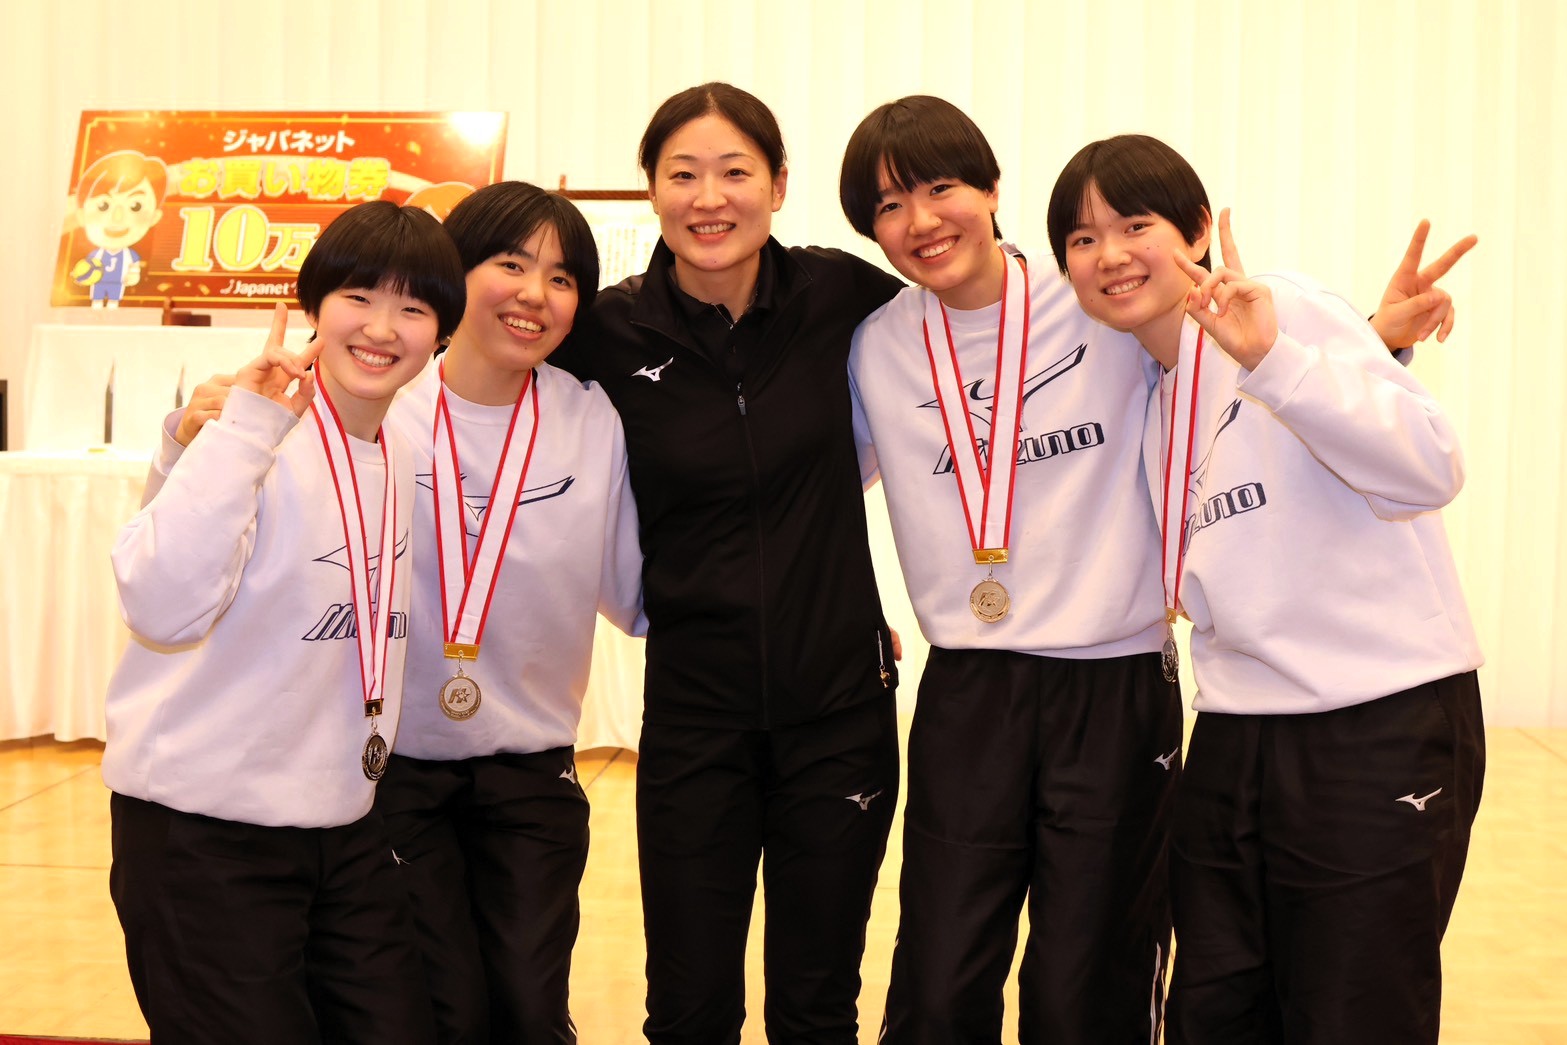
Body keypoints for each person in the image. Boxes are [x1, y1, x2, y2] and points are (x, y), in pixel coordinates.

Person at [837, 96, 1475, 1044]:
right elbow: (804, 486)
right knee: (956, 981)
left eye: (940, 188)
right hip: (1061, 697)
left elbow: (1326, 408)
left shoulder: (1123, 309)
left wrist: (1359, 340)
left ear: (993, 190)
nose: (921, 219)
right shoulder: (880, 346)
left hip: (1159, 685)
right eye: (889, 205)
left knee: (1104, 986)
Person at [148, 181, 646, 1044]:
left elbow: (638, 587)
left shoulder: (592, 416)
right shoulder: (375, 401)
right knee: (438, 1012)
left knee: (530, 1011)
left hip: (528, 768)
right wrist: (197, 437)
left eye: (563, 278)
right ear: (454, 280)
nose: (534, 292)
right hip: (390, 770)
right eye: (510, 263)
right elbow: (186, 564)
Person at [1046, 133, 1484, 1045]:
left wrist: (1278, 357)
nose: (1110, 254)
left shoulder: (1280, 310)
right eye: (1082, 239)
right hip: (1232, 734)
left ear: (1197, 231)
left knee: (1352, 1010)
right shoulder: (1154, 394)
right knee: (1216, 1010)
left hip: (1374, 721)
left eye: (1134, 224)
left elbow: (1429, 465)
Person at [554, 83, 905, 1045]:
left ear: (778, 185)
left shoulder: (840, 296)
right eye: (683, 174)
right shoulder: (606, 331)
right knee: (689, 1006)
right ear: (652, 191)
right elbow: (475, 386)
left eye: (734, 172)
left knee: (816, 1005)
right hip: (693, 716)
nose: (708, 198)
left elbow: (978, 321)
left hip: (840, 712)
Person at [102, 199, 466, 1044]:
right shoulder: (247, 428)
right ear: (312, 307)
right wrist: (242, 431)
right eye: (357, 297)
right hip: (204, 831)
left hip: (344, 823)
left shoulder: (402, 449)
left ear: (441, 334)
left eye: (413, 308)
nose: (382, 328)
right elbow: (159, 605)